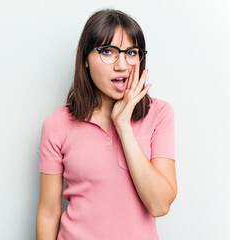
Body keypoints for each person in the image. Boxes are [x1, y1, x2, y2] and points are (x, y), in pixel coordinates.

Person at [36, 9, 177, 240]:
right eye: (108, 51)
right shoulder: (57, 124)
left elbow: (160, 205)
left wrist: (123, 127)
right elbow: (49, 213)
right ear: (85, 60)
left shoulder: (160, 114)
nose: (122, 65)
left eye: (131, 53)